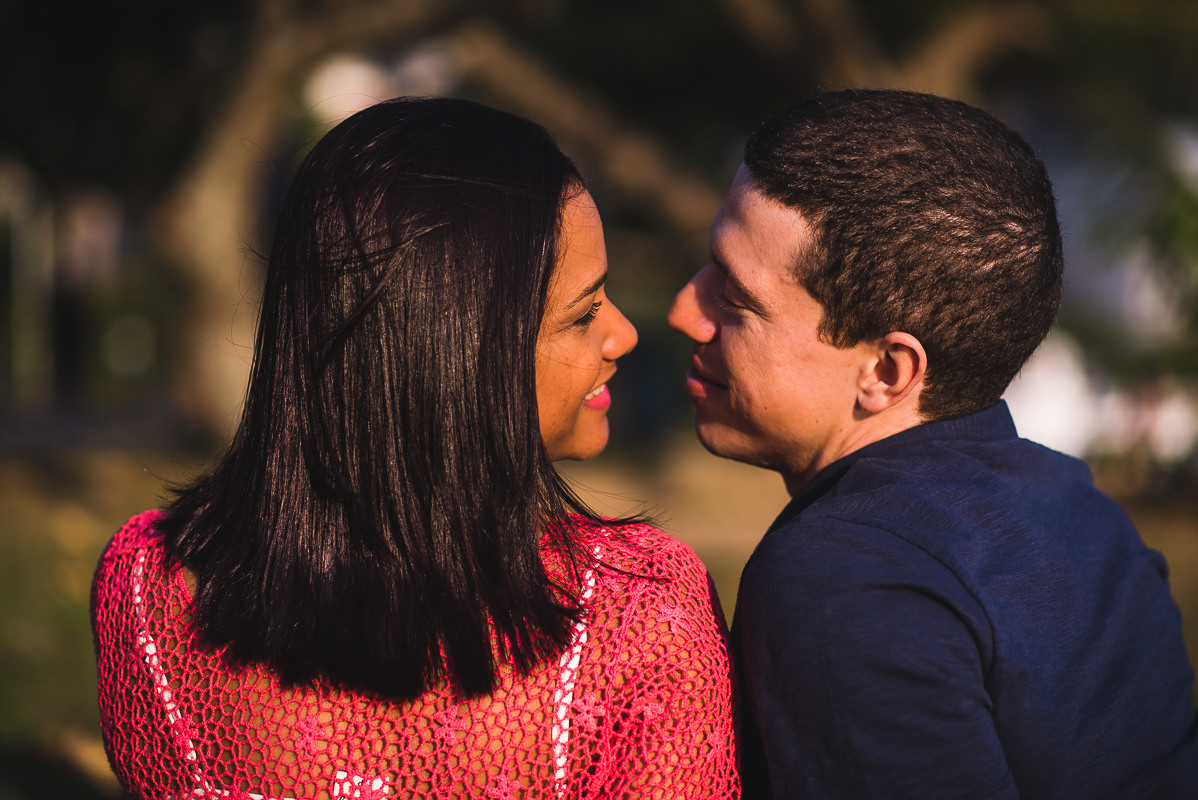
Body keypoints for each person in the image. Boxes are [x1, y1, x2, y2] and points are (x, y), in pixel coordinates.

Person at [92, 96, 739, 799]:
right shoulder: (635, 617)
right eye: (584, 313)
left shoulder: (148, 591)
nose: (624, 335)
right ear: (457, 355)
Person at [667, 88, 1198, 798]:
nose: (682, 311)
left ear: (886, 371)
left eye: (733, 300)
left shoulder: (843, 575)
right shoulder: (1080, 511)